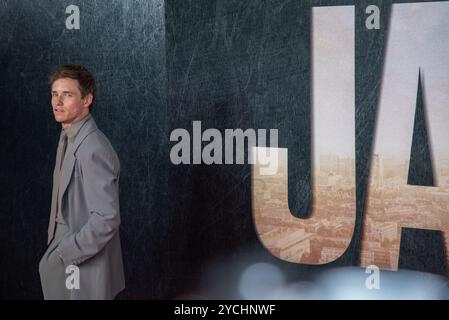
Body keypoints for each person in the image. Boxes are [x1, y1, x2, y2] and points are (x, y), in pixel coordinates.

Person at [39, 64, 125, 299]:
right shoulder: (68, 136)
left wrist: (64, 253)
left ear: (87, 100)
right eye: (55, 94)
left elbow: (107, 218)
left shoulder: (93, 147)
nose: (58, 101)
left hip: (80, 256)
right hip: (66, 246)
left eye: (67, 95)